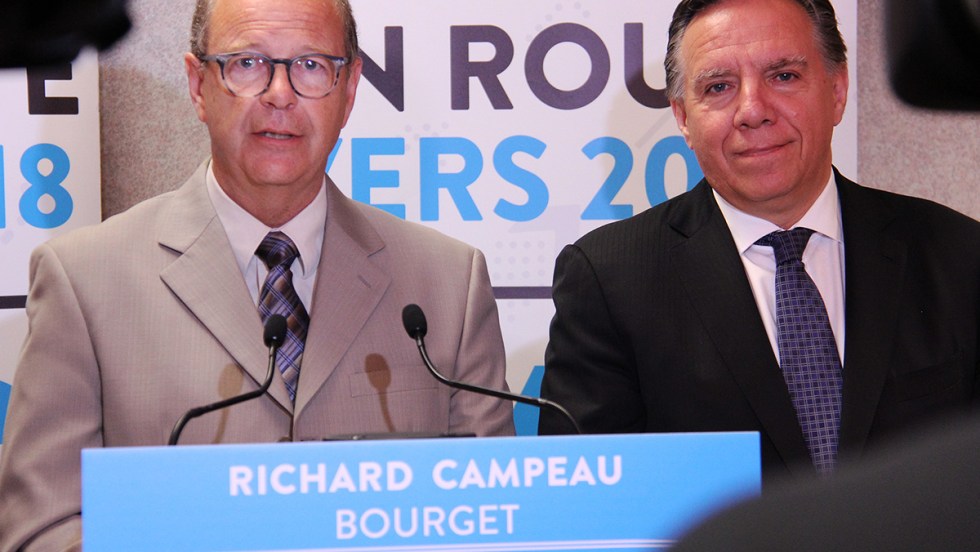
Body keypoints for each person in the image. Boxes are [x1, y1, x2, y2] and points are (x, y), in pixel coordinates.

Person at [0, 0, 514, 549]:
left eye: (312, 66)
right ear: (199, 86)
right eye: (247, 64)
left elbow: (498, 519)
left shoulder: (448, 283)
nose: (280, 94)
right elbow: (42, 529)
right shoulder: (84, 281)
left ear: (349, 90)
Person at [539, 0, 979, 483]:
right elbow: (585, 503)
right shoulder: (609, 281)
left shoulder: (959, 255)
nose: (753, 111)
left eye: (783, 76)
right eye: (719, 87)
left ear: (837, 91)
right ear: (683, 117)